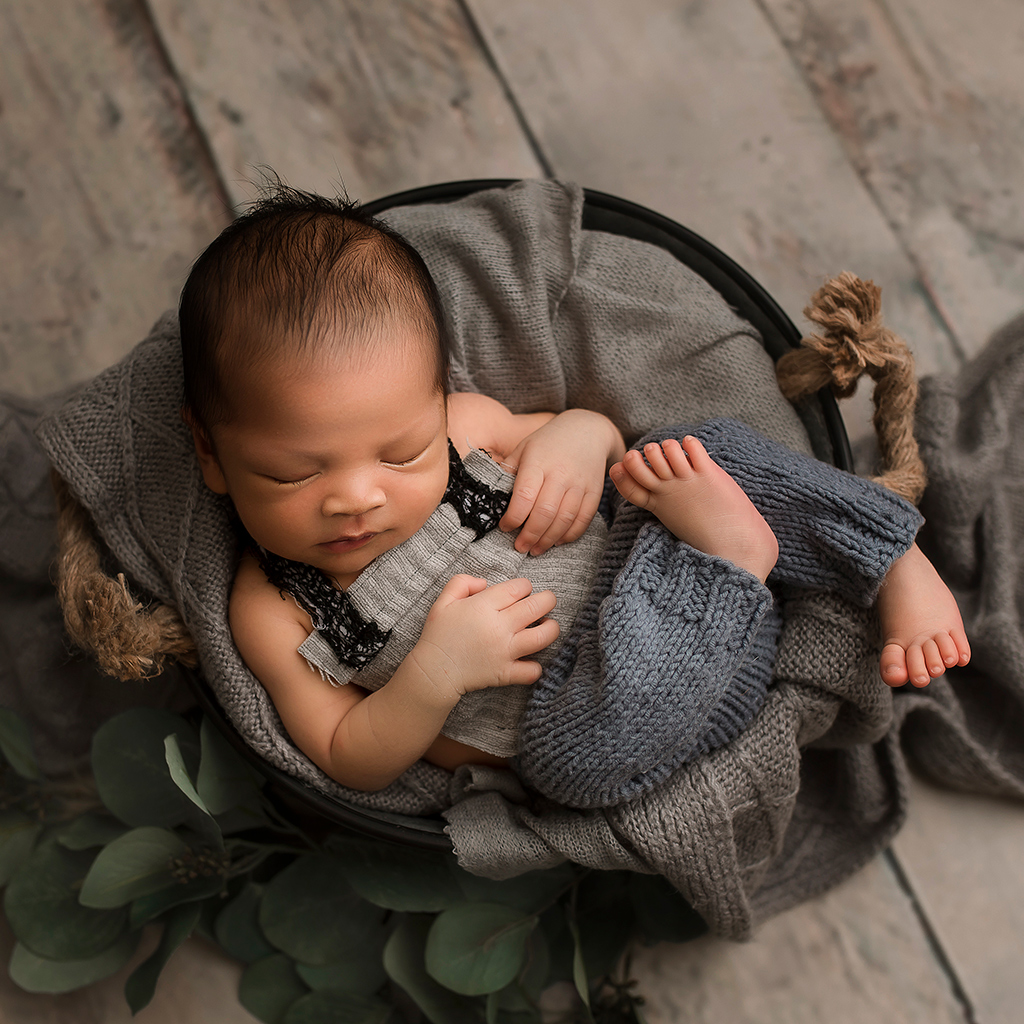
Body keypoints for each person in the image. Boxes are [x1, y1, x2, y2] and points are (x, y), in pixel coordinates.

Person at [180, 187, 970, 796]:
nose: (357, 497)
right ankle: (731, 561)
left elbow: (592, 432)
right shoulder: (273, 606)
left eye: (401, 452)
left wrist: (577, 437)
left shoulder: (468, 425)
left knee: (679, 455)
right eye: (294, 473)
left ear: (435, 400)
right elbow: (348, 756)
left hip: (649, 564)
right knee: (564, 771)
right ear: (212, 454)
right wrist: (435, 674)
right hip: (632, 710)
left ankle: (888, 554)